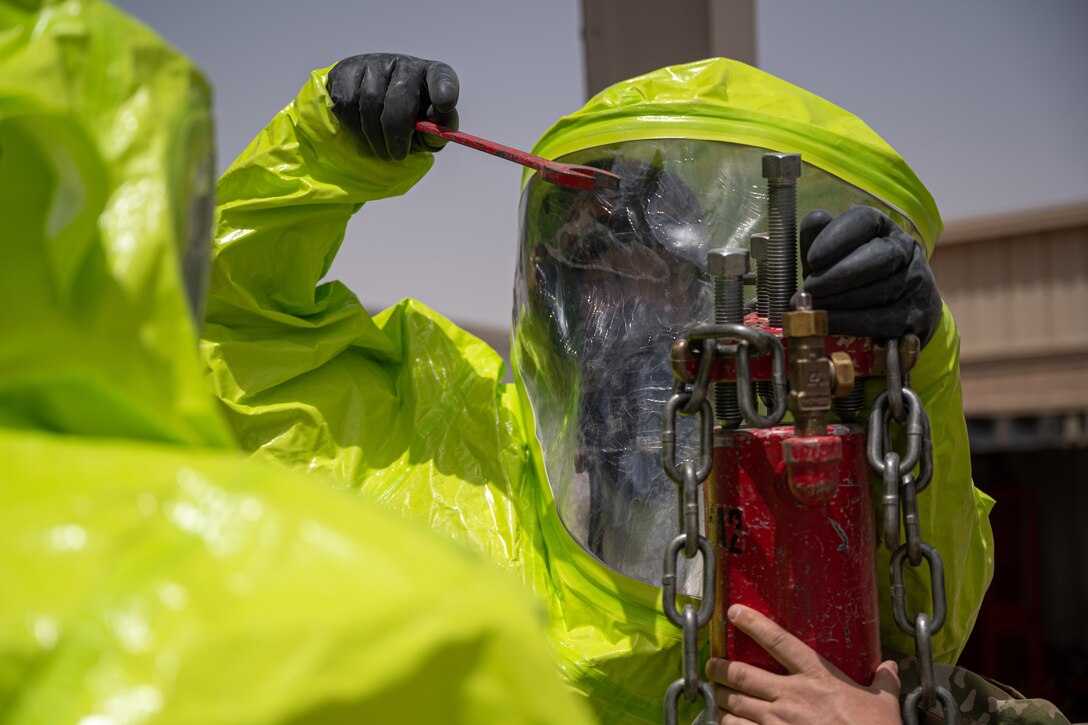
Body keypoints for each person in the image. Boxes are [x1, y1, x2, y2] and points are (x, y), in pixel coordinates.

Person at [0, 3, 598, 723]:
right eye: (589, 258)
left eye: (668, 266)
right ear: (538, 277)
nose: (630, 305)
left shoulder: (760, 505)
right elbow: (231, 331)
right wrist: (323, 152)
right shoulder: (434, 432)